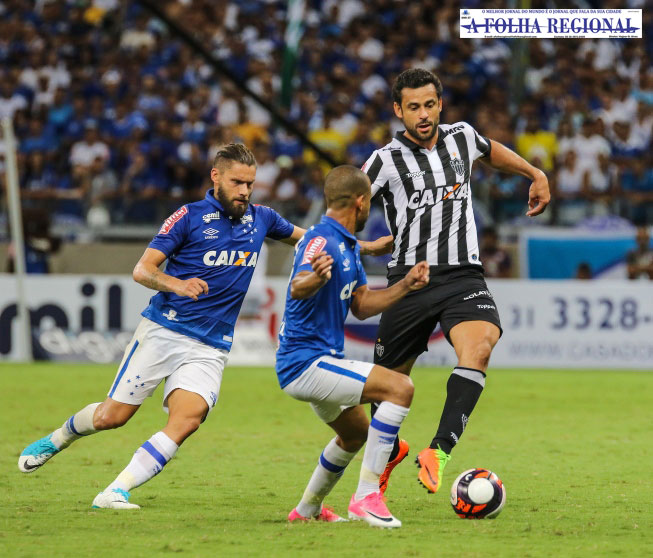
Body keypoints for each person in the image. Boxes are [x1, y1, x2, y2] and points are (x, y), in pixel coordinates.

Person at [17, 143, 307, 509]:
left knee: (188, 420)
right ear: (216, 177)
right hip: (164, 332)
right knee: (111, 417)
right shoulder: (188, 216)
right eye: (237, 182)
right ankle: (59, 438)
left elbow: (312, 239)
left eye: (250, 184)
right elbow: (142, 270)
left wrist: (358, 246)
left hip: (211, 345)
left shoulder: (262, 218)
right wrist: (178, 285)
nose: (245, 191)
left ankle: (114, 491)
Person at [361, 68, 550, 495]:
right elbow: (345, 205)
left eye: (430, 105)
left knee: (480, 347)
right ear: (398, 110)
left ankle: (439, 450)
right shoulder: (384, 161)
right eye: (414, 107)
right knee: (385, 388)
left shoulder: (461, 137)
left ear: (440, 104)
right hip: (408, 282)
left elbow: (491, 151)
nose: (423, 115)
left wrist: (534, 174)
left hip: (462, 275)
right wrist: (362, 245)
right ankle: (389, 454)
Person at [276, 165, 429, 528]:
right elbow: (298, 285)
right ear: (361, 202)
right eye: (370, 203)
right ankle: (366, 497)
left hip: (320, 360)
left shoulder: (346, 245)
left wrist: (405, 285)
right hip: (305, 363)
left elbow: (361, 305)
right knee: (400, 388)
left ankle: (306, 510)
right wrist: (315, 278)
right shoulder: (320, 240)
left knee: (355, 433)